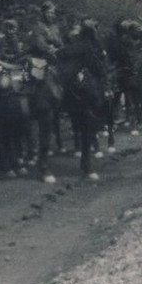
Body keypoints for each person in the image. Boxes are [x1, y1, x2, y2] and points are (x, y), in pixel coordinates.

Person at [58, 17, 108, 181]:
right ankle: (86, 164)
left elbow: (61, 54)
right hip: (81, 86)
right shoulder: (89, 47)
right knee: (91, 115)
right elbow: (97, 67)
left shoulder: (76, 45)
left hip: (70, 84)